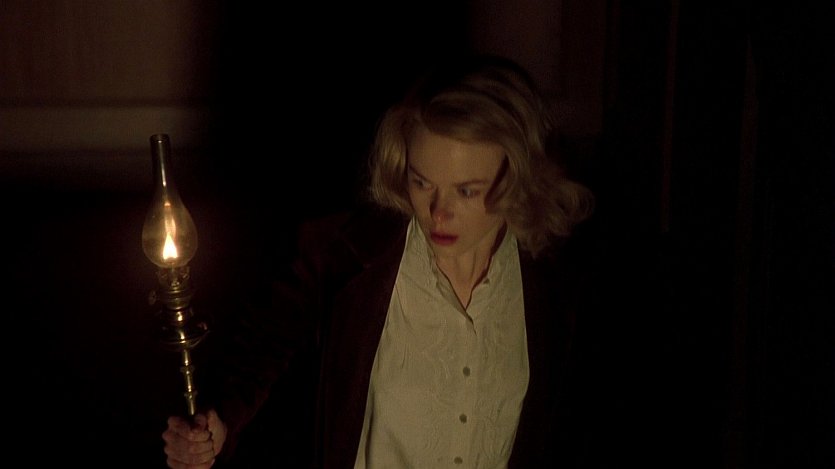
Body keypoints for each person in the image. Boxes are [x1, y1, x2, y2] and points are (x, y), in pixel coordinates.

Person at [162, 53, 596, 468]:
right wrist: (221, 422)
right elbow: (266, 338)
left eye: (466, 191)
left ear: (517, 175)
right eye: (422, 183)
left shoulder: (558, 286)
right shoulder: (352, 254)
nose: (438, 212)